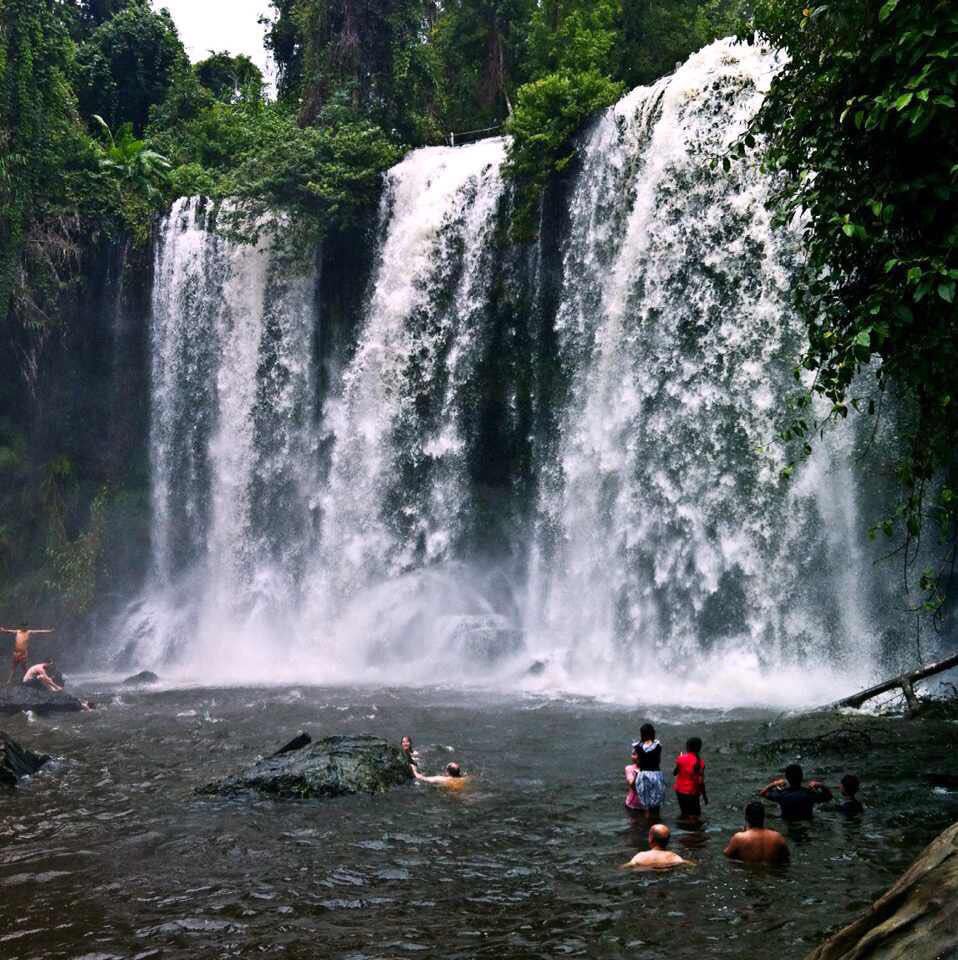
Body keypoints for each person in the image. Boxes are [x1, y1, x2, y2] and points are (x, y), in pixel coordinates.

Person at [759, 763, 833, 821]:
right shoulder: (810, 794)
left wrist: (774, 784)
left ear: (787, 778)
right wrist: (820, 785)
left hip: (787, 822)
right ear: (802, 777)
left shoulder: (781, 794)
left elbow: (762, 793)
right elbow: (829, 796)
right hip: (807, 822)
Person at [724, 801, 790, 864]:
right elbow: (786, 855)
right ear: (763, 817)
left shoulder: (739, 837)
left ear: (746, 817)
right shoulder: (777, 837)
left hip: (749, 873)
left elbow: (727, 854)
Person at [631, 723, 665, 822]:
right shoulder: (658, 745)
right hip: (655, 775)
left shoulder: (637, 746)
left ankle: (648, 826)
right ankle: (656, 823)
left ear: (641, 734)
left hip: (643, 775)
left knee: (647, 806)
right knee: (656, 805)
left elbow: (637, 760)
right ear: (653, 733)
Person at [624, 824, 690, 870]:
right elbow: (690, 864)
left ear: (650, 839)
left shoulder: (640, 856)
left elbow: (625, 867)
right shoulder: (673, 857)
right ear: (668, 840)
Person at [673, 736, 708, 822]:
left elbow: (674, 773)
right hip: (692, 793)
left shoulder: (681, 758)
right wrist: (704, 796)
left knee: (684, 812)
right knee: (695, 815)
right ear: (699, 748)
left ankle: (684, 830)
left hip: (679, 791)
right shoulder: (700, 762)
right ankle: (693, 833)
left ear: (687, 747)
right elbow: (700, 782)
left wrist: (680, 759)